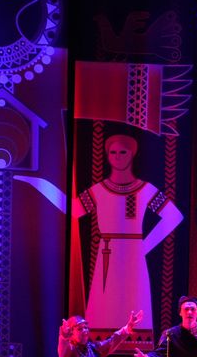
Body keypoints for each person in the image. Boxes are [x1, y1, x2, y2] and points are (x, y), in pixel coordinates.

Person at [74, 134, 182, 332]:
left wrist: (145, 246)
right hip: (107, 253)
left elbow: (173, 216)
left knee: (135, 302)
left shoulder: (144, 189)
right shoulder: (99, 190)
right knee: (105, 305)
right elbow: (73, 210)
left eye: (123, 152)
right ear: (107, 156)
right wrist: (43, 186)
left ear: (132, 154)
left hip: (133, 255)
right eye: (113, 152)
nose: (117, 156)